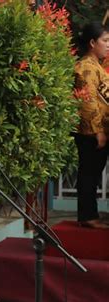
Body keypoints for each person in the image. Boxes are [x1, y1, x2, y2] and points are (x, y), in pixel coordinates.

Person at [74, 22, 109, 229]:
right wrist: (98, 131)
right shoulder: (85, 66)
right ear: (92, 42)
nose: (108, 45)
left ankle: (90, 215)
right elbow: (88, 102)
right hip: (91, 132)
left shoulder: (96, 66)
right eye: (105, 41)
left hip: (99, 130)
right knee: (89, 173)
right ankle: (87, 216)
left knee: (93, 173)